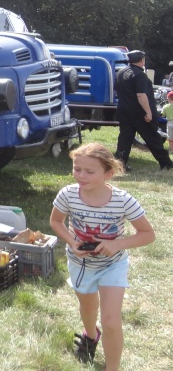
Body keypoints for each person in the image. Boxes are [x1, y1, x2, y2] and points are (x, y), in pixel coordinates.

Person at [49, 142, 155, 369]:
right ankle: (90, 335)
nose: (81, 175)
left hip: (112, 265)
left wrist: (117, 244)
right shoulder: (68, 195)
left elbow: (148, 234)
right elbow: (56, 221)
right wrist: (72, 242)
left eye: (89, 171)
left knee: (111, 321)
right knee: (88, 309)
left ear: (108, 173)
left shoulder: (123, 200)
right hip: (81, 263)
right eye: (77, 169)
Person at [113, 50, 173, 170]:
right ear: (141, 60)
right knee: (152, 137)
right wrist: (148, 112)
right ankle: (166, 164)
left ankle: (119, 164)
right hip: (140, 112)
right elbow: (141, 95)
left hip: (124, 110)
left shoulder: (121, 72)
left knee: (125, 138)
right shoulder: (140, 75)